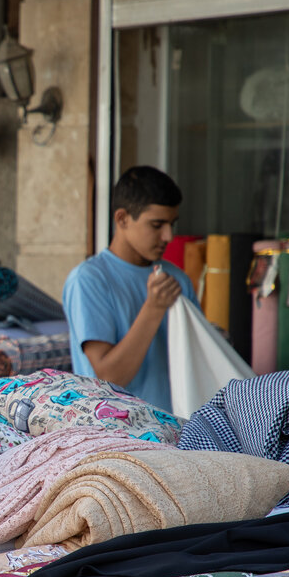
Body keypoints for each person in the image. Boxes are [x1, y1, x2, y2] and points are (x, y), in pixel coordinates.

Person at [62, 165, 198, 413]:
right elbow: (109, 378)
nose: (168, 236)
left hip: (182, 431)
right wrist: (154, 308)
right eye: (157, 225)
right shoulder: (89, 280)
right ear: (122, 218)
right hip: (118, 436)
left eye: (172, 224)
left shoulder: (177, 278)